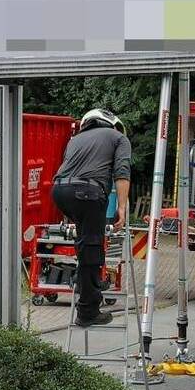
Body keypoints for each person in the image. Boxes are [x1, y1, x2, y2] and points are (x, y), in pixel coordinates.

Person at [51, 108, 131, 326]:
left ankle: (90, 281)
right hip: (88, 193)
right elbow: (122, 173)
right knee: (92, 249)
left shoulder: (75, 139)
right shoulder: (119, 138)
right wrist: (121, 207)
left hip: (60, 191)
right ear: (112, 124)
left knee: (86, 244)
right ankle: (88, 312)